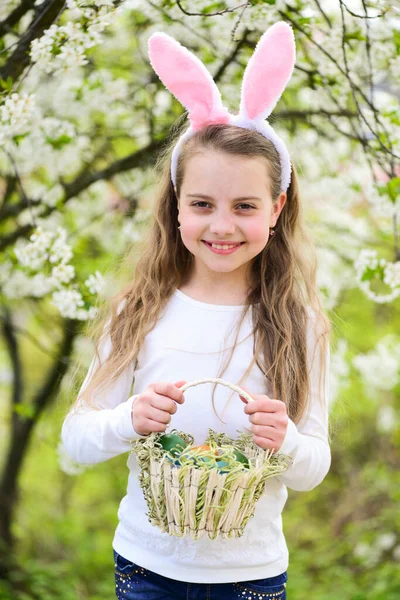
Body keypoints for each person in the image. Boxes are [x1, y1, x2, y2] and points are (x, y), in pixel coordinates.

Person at [61, 21, 331, 600]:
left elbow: (313, 465)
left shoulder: (297, 323)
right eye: (202, 204)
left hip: (251, 574)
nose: (222, 226)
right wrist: (128, 417)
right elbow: (76, 440)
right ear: (176, 205)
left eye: (245, 205)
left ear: (277, 208)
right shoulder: (139, 310)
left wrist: (282, 438)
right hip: (147, 568)